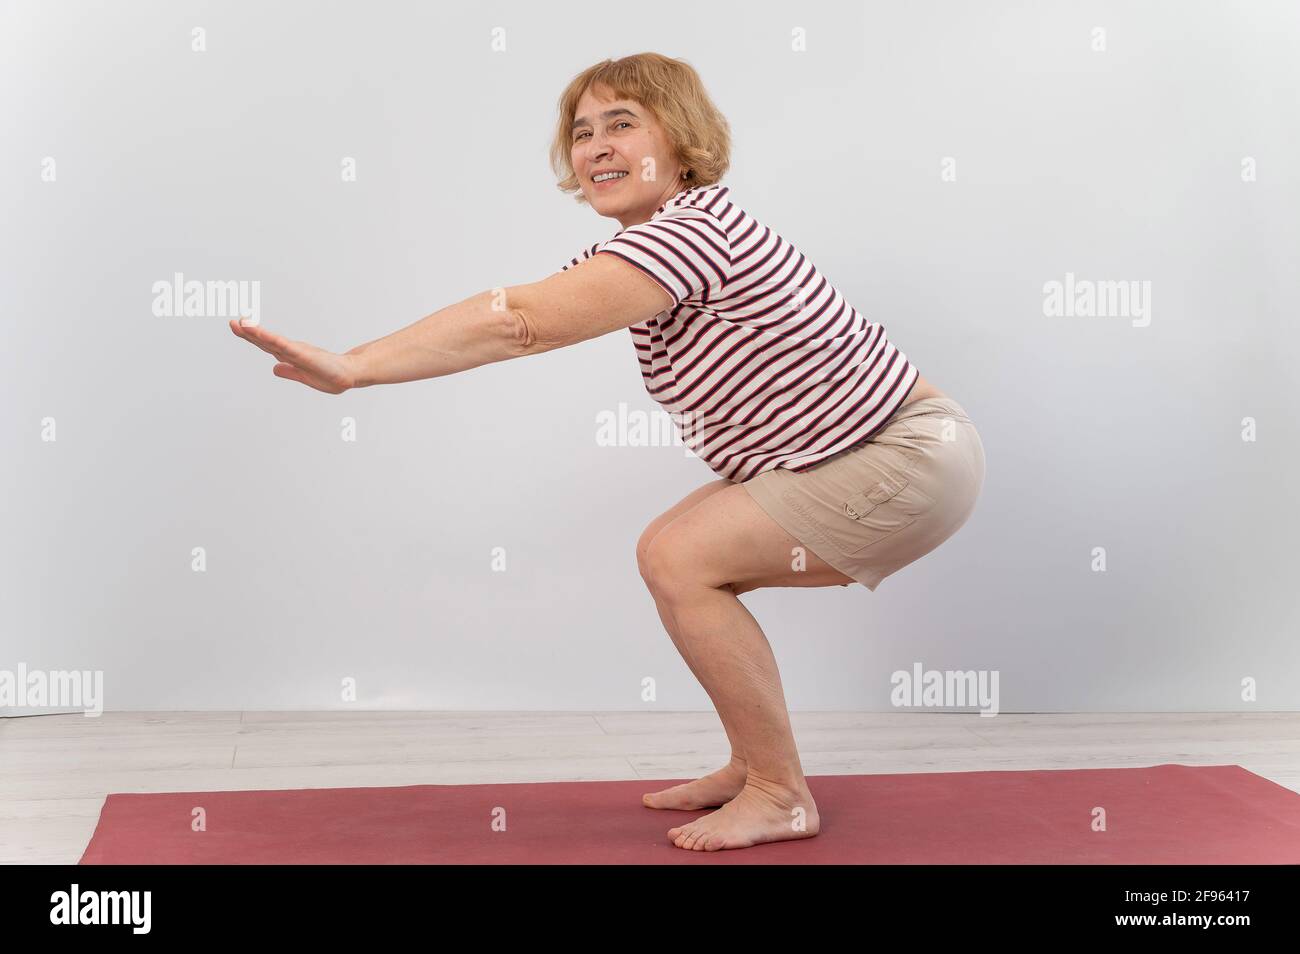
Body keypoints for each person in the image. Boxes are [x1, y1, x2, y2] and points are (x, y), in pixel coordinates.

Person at [230, 52, 986, 852]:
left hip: (901, 457)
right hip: (877, 457)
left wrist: (354, 367)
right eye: (581, 131)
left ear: (683, 141)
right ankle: (755, 763)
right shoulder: (649, 247)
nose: (594, 146)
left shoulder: (691, 233)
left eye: (622, 123)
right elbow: (511, 319)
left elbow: (519, 320)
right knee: (668, 551)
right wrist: (359, 368)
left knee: (683, 561)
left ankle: (779, 792)